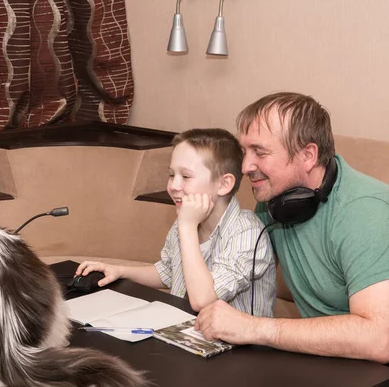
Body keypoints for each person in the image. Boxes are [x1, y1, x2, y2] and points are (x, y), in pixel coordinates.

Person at [194, 92, 389, 386]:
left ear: (308, 155)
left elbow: (377, 340)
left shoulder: (366, 210)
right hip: (354, 361)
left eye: (260, 152)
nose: (245, 166)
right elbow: (233, 271)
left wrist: (256, 329)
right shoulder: (274, 203)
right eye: (245, 151)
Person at [76, 128, 277, 316]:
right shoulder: (187, 218)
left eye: (186, 176)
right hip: (185, 331)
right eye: (172, 175)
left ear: (224, 184)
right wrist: (120, 271)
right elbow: (167, 272)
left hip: (239, 349)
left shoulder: (246, 232)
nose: (173, 185)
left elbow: (202, 300)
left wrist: (187, 227)